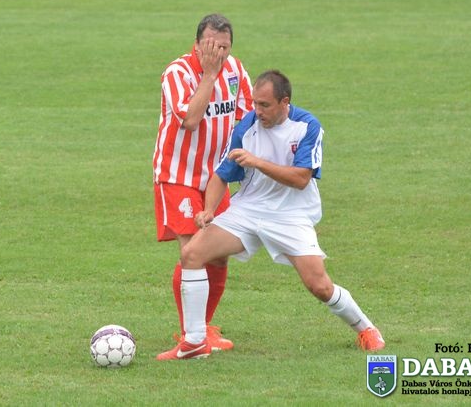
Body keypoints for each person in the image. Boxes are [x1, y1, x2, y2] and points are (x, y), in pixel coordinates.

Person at [157, 69, 385, 360]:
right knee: (192, 254)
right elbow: (222, 175)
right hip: (249, 209)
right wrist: (209, 210)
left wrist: (257, 162)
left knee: (319, 286)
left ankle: (366, 329)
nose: (257, 110)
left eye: (264, 105)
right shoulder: (246, 127)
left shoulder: (307, 126)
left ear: (284, 102)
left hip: (291, 215)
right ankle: (194, 342)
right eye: (254, 103)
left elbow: (301, 178)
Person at [152, 14, 253, 353]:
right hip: (178, 176)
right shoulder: (177, 73)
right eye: (211, 46)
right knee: (193, 250)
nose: (218, 54)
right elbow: (192, 120)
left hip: (216, 179)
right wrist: (209, 76)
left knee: (218, 256)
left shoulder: (236, 70)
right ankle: (190, 335)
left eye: (224, 47)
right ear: (197, 44)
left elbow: (246, 119)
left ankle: (203, 328)